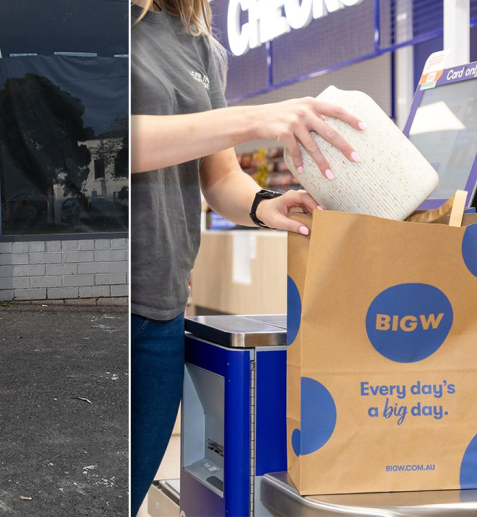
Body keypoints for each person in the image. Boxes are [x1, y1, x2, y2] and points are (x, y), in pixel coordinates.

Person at [130, 1, 366, 514]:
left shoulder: (196, 39)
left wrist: (263, 203)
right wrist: (255, 118)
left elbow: (218, 178)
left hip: (160, 306)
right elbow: (109, 138)